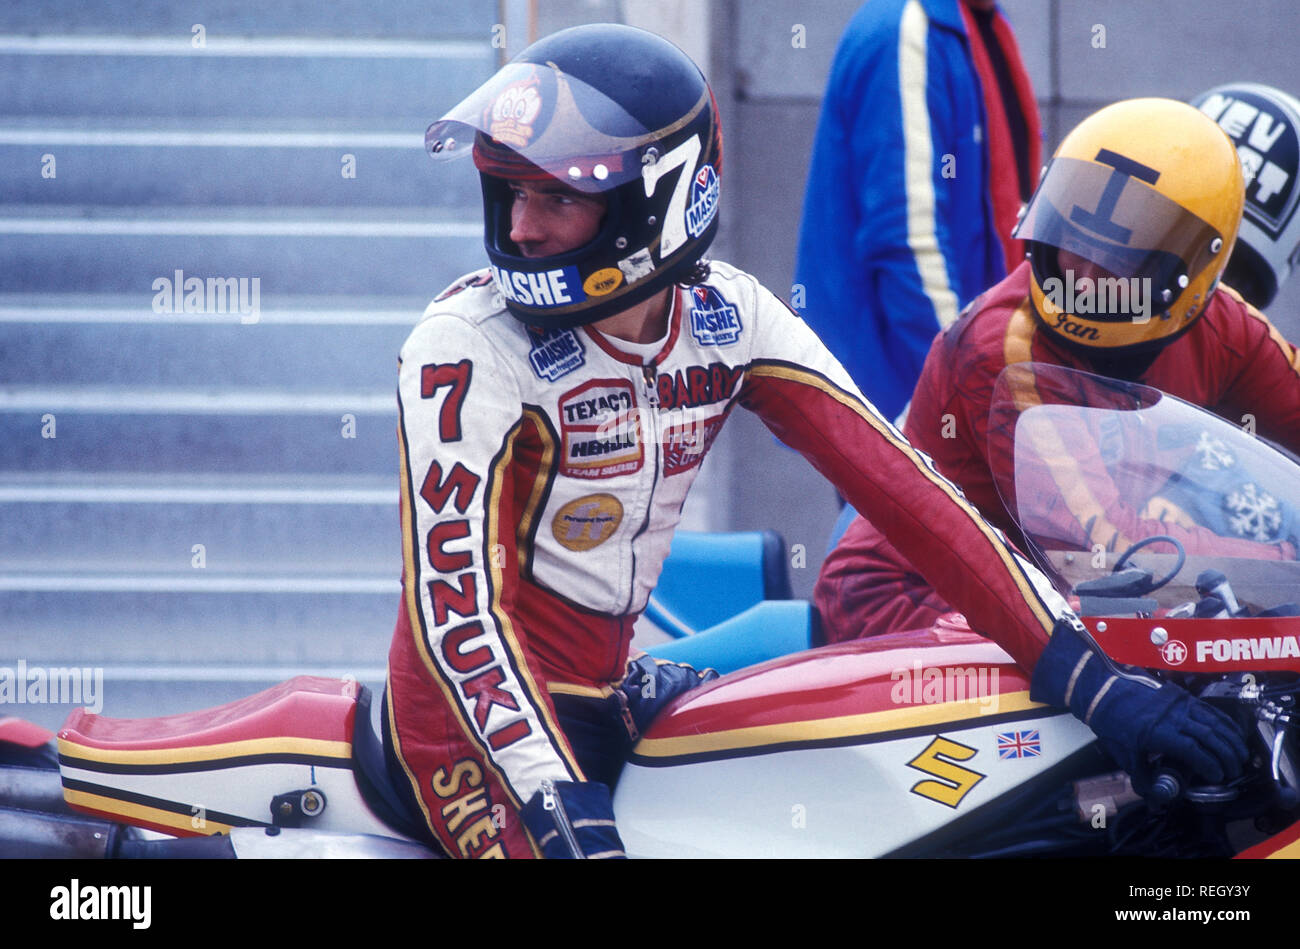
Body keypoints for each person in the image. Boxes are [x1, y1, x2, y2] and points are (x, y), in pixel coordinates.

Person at [386, 31, 1243, 859]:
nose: (524, 228)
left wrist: (1099, 684)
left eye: (559, 196)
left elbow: (913, 496)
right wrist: (554, 801)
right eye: (511, 194)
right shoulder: (463, 343)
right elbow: (456, 614)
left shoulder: (730, 315)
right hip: (464, 727)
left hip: (601, 694)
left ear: (661, 195)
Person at [817, 97, 1300, 645]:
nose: (1084, 278)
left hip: (1061, 602)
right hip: (909, 601)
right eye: (1074, 243)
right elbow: (1108, 552)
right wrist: (1286, 559)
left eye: (1122, 261)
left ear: (1188, 273)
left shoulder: (1228, 329)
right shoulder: (1003, 351)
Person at [794, 0, 1041, 423]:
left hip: (969, 375)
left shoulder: (982, 21)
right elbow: (907, 240)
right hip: (909, 401)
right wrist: (976, 392)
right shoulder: (907, 30)